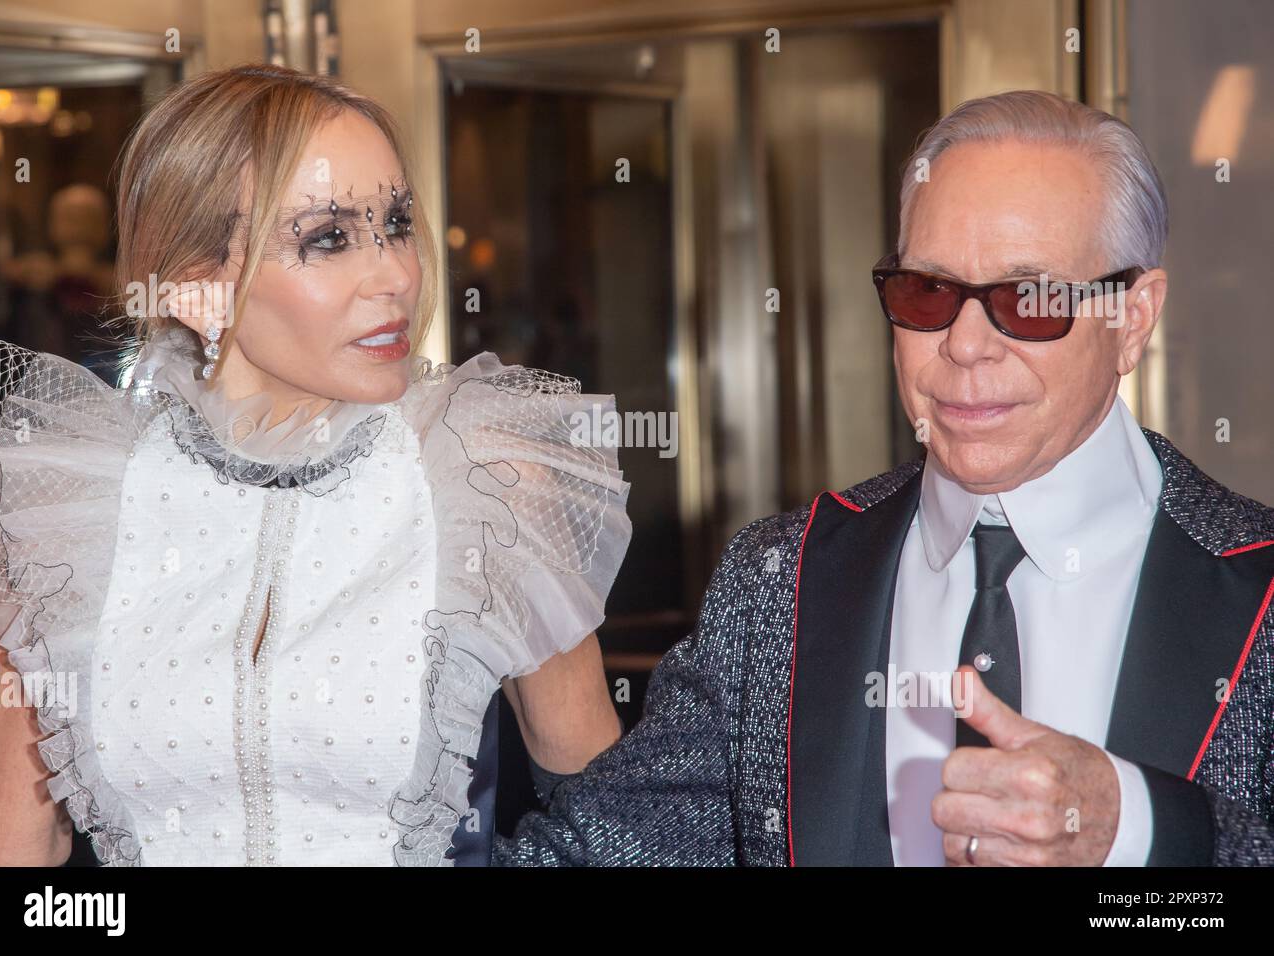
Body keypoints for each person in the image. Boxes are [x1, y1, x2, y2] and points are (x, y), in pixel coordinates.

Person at [495, 89, 1274, 867]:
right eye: (928, 292)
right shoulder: (777, 582)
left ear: (1133, 319)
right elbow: (608, 853)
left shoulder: (1259, 596)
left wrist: (1134, 830)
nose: (966, 345)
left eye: (1026, 300)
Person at [0, 63, 632, 867]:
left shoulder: (486, 480)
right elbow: (16, 868)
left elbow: (610, 830)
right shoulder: (63, 510)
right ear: (196, 287)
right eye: (328, 237)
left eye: (395, 223)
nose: (396, 274)